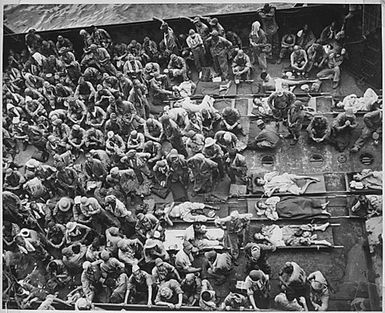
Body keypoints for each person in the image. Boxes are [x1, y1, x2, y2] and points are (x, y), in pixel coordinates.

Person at [254, 171, 320, 197]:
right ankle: (308, 182)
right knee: (301, 192)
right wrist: (274, 189)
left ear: (261, 178)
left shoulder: (266, 176)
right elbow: (268, 195)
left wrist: (270, 177)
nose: (261, 182)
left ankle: (310, 177)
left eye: (260, 180)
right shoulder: (266, 187)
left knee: (296, 177)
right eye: (259, 183)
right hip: (286, 186)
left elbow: (277, 172)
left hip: (285, 178)